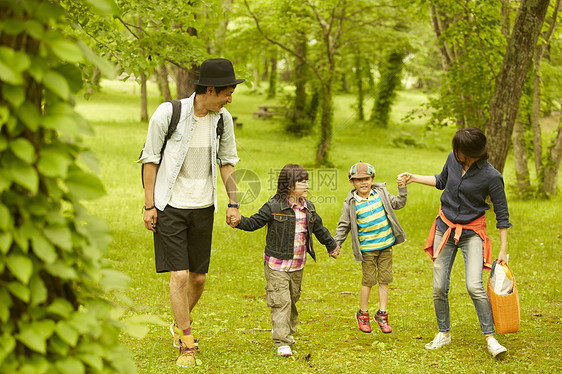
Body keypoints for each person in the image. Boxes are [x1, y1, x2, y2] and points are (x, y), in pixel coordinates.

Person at [137, 58, 244, 367]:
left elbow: (227, 161)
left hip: (202, 208)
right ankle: (187, 342)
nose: (229, 99)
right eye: (226, 92)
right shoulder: (168, 113)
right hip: (170, 205)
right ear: (209, 90)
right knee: (180, 275)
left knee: (197, 280)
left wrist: (233, 202)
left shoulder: (223, 120)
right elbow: (150, 159)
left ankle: (177, 321)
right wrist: (149, 205)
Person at [399, 127, 511, 358]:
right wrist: (413, 178)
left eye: (459, 149)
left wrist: (503, 249)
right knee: (439, 286)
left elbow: (502, 214)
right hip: (445, 227)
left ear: (473, 152)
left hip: (472, 232)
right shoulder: (453, 158)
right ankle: (444, 333)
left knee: (474, 286)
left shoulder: (492, 176)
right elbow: (441, 181)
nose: (455, 152)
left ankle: (491, 339)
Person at [231, 164, 339, 357]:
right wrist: (239, 221)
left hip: (298, 264)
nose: (307, 185)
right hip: (276, 264)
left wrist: (331, 246)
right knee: (281, 301)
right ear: (289, 185)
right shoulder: (273, 206)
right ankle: (282, 341)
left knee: (292, 299)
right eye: (302, 182)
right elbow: (255, 222)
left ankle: (286, 331)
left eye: (307, 181)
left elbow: (319, 229)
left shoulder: (309, 208)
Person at [333, 162, 408, 334]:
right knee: (368, 281)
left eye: (366, 178)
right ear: (351, 182)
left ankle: (382, 313)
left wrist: (402, 189)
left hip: (386, 246)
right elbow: (343, 225)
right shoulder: (351, 203)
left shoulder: (380, 193)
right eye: (358, 180)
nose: (363, 182)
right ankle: (363, 313)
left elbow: (399, 203)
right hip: (367, 249)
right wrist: (336, 244)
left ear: (372, 179)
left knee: (385, 279)